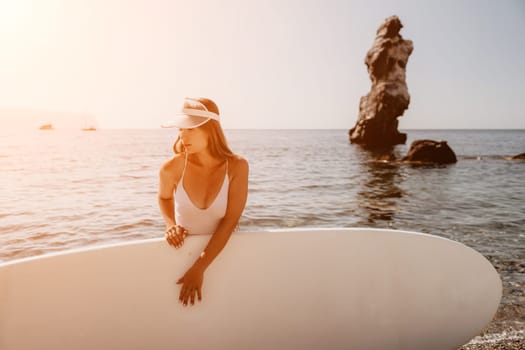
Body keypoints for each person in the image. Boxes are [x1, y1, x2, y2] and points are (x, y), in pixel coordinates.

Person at [158, 97, 249, 306]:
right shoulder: (171, 168)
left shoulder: (237, 167)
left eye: (191, 129)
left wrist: (198, 268)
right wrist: (171, 225)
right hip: (183, 252)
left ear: (210, 130)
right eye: (181, 129)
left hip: (223, 254)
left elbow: (230, 220)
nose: (183, 135)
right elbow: (164, 197)